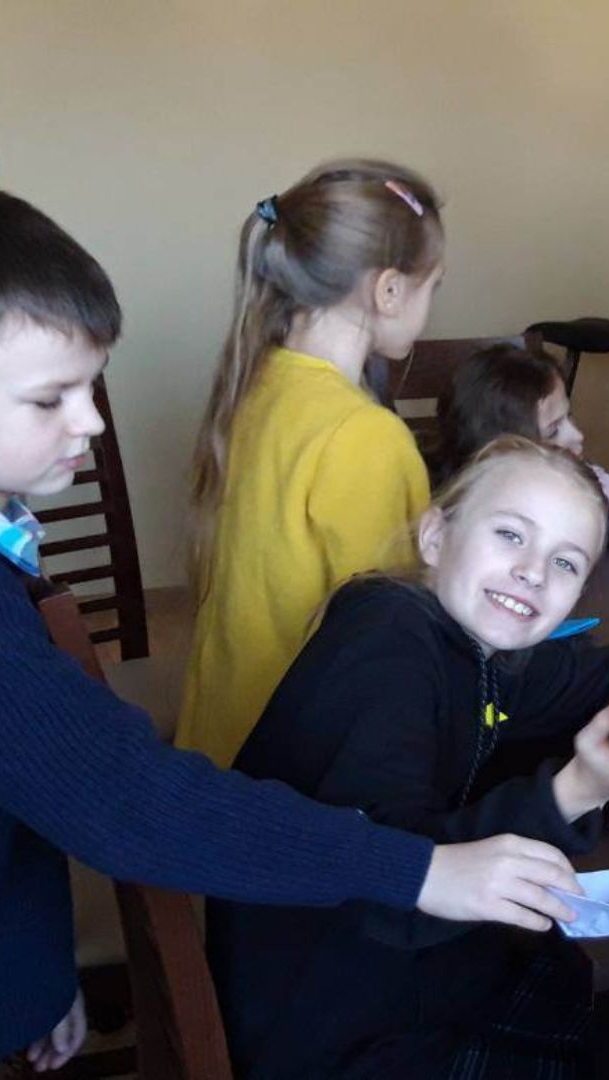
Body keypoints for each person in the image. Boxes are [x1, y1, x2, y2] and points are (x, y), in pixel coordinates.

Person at [0, 180, 578, 1080]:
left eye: (88, 387)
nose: (91, 420)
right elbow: (123, 798)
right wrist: (421, 871)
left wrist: (23, 975)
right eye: (51, 399)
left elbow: (10, 780)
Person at [211, 437, 609, 1075]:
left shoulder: (484, 653)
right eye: (511, 535)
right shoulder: (387, 644)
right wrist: (578, 790)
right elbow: (388, 885)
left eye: (566, 563)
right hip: (339, 1030)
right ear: (436, 537)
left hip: (411, 982)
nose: (533, 572)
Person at [180, 159, 446, 767]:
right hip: (297, 769)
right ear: (389, 290)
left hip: (220, 746)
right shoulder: (365, 435)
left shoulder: (256, 385)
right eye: (435, 285)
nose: (433, 303)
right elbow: (391, 640)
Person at [433, 343, 609, 538]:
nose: (577, 435)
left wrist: (586, 487)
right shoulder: (460, 513)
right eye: (553, 431)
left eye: (569, 416)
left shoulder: (573, 478)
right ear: (501, 451)